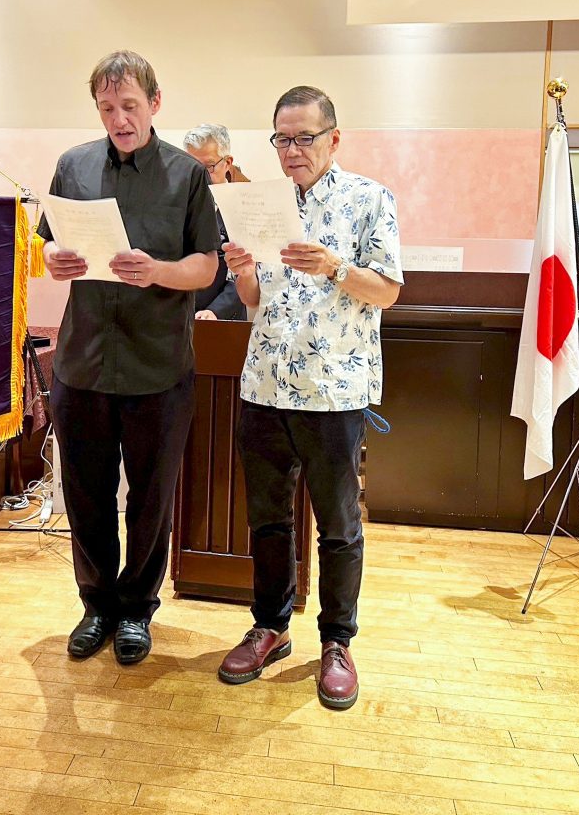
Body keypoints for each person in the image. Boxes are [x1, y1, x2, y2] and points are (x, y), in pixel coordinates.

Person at [217, 85, 402, 709]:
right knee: (267, 519)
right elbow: (253, 299)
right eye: (282, 139)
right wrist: (243, 268)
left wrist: (334, 266)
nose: (292, 150)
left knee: (339, 526)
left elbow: (388, 291)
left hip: (334, 390)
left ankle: (337, 643)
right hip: (264, 384)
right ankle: (270, 626)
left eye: (304, 137)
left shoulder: (370, 199)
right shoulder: (260, 204)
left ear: (333, 138)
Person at [39, 50, 220, 665]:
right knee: (86, 495)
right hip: (82, 360)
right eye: (107, 107)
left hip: (158, 364)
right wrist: (54, 260)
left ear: (155, 103)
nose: (119, 119)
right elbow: (47, 245)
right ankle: (96, 605)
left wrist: (158, 271)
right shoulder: (73, 166)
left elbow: (207, 265)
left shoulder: (186, 174)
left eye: (130, 106)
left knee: (149, 499)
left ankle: (137, 608)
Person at [183, 124, 247, 321]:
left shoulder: (245, 208)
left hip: (225, 318)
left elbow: (248, 274)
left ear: (227, 163)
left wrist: (215, 311)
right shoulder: (180, 205)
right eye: (193, 168)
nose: (200, 176)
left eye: (208, 167)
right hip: (183, 318)